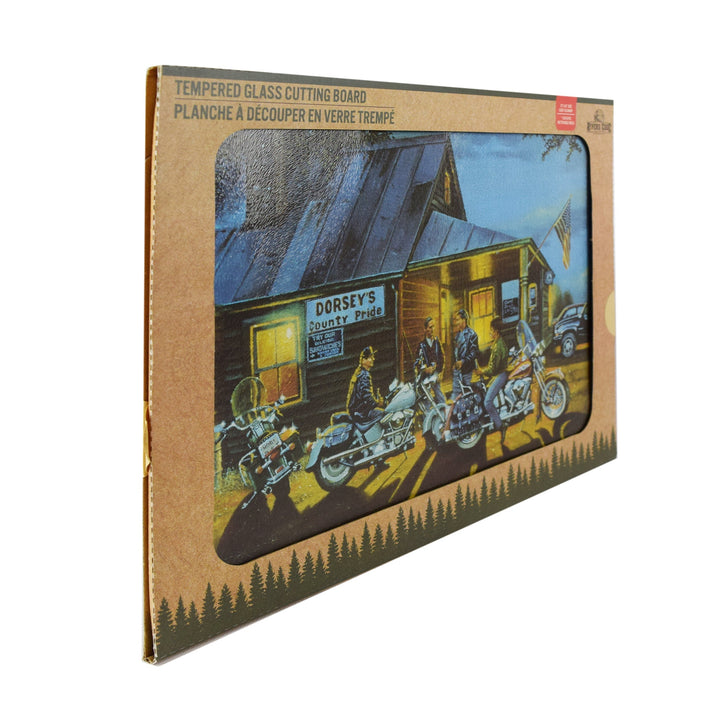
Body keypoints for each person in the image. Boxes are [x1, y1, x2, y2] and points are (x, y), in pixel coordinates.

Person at [479, 317, 509, 433]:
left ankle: (500, 425)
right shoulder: (498, 343)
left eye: (491, 330)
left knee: (487, 402)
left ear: (496, 331)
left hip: (500, 375)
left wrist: (482, 371)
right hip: (499, 374)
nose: (490, 332)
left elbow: (493, 369)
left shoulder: (498, 347)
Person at [346, 346, 385, 425]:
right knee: (384, 415)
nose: (373, 359)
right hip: (362, 412)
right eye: (370, 357)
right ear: (363, 360)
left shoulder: (359, 373)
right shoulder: (364, 375)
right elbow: (366, 396)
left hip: (356, 411)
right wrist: (377, 404)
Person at [451, 309, 480, 398]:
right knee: (456, 395)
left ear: (464, 320)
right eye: (456, 320)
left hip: (468, 370)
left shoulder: (472, 335)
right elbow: (456, 352)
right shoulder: (457, 336)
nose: (456, 322)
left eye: (458, 320)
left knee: (470, 394)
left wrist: (463, 362)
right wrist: (455, 364)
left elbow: (474, 353)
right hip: (458, 371)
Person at [416, 316, 445, 405]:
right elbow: (418, 363)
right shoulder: (421, 346)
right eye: (430, 327)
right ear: (425, 329)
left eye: (433, 327)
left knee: (441, 398)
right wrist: (425, 369)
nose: (432, 329)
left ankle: (444, 412)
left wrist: (441, 372)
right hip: (425, 378)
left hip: (435, 375)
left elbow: (442, 358)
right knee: (427, 401)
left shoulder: (437, 342)